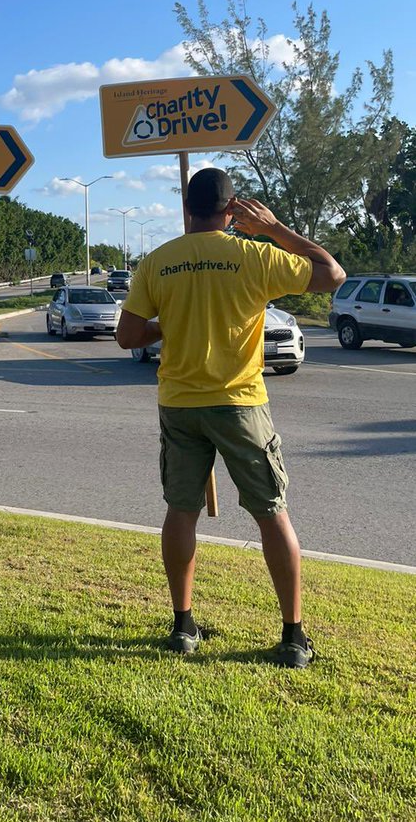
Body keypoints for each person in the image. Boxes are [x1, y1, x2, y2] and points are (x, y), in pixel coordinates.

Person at [116, 168, 346, 667]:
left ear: (186, 206)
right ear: (232, 208)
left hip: (179, 404)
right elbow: (331, 274)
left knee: (181, 510)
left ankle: (182, 625)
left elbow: (128, 336)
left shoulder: (158, 261)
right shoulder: (256, 255)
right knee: (270, 512)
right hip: (241, 403)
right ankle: (292, 635)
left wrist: (169, 322)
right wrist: (274, 229)